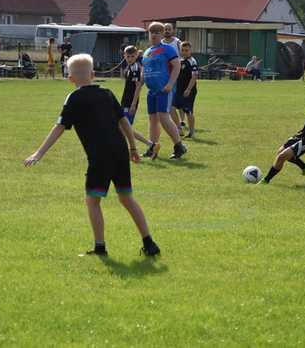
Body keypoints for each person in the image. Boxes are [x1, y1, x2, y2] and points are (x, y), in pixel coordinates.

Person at [23, 53, 161, 257]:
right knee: (127, 198)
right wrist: (133, 148)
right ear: (93, 74)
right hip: (120, 152)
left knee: (93, 201)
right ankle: (149, 243)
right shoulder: (107, 93)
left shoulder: (74, 98)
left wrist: (39, 153)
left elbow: (60, 127)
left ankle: (100, 247)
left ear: (70, 78)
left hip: (100, 157)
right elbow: (124, 123)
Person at [260, 77, 305, 184]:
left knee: (281, 157)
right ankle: (304, 167)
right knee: (280, 152)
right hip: (301, 135)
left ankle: (266, 180)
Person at [141, 21, 188, 160]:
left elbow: (177, 66)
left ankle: (179, 146)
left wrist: (170, 84)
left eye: (157, 32)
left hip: (164, 90)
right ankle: (152, 146)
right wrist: (139, 85)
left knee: (164, 117)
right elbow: (144, 70)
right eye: (152, 32)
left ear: (162, 34)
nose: (154, 35)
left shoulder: (167, 49)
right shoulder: (147, 52)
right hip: (152, 91)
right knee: (153, 119)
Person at [121, 45, 154, 149]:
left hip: (130, 102)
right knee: (124, 128)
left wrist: (133, 104)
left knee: (125, 128)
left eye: (132, 56)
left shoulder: (135, 68)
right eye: (128, 56)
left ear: (136, 56)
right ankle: (150, 145)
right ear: (124, 56)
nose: (130, 59)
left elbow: (138, 86)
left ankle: (150, 145)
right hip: (125, 100)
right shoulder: (129, 67)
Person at [171, 41, 199, 138]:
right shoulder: (180, 60)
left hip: (189, 91)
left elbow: (194, 77)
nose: (184, 52)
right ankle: (179, 128)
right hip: (179, 90)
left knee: (188, 111)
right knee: (171, 108)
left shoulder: (192, 61)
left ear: (190, 51)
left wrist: (188, 89)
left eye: (186, 50)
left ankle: (191, 132)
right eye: (182, 50)